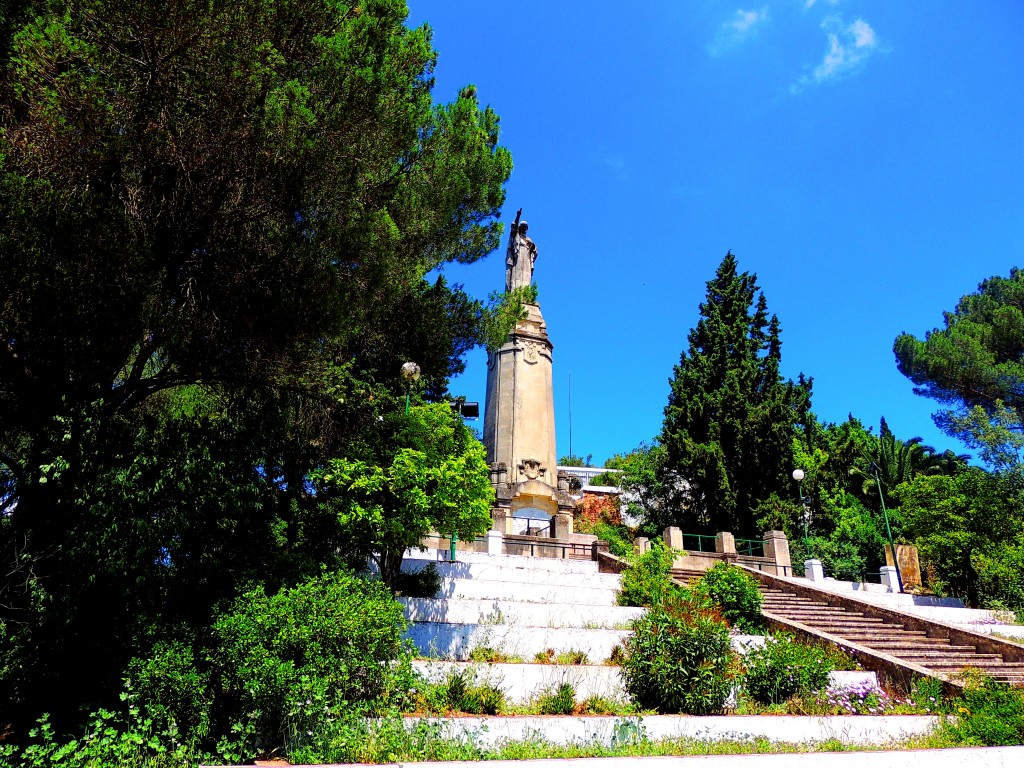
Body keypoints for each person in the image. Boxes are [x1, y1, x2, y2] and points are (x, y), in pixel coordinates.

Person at [505, 208, 538, 292]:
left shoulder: (529, 240)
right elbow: (513, 226)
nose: (524, 229)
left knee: (526, 278)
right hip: (518, 259)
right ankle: (515, 293)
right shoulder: (516, 236)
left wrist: (532, 247)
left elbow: (535, 251)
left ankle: (526, 293)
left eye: (525, 227)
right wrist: (518, 216)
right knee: (517, 277)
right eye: (522, 227)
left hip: (526, 259)